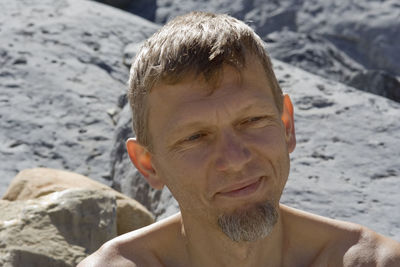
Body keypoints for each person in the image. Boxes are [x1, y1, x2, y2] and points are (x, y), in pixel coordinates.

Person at [78, 11, 400, 267]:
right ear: (148, 165)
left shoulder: (374, 262)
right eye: (195, 137)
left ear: (287, 126)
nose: (234, 159)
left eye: (253, 120)